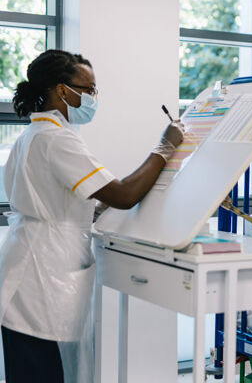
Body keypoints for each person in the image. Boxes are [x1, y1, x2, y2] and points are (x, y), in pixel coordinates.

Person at [0, 49, 184, 382]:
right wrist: (164, 147)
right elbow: (124, 194)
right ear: (62, 90)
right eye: (88, 89)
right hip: (41, 278)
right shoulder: (56, 139)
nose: (92, 97)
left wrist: (91, 208)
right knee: (42, 372)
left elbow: (49, 199)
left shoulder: (33, 135)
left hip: (26, 267)